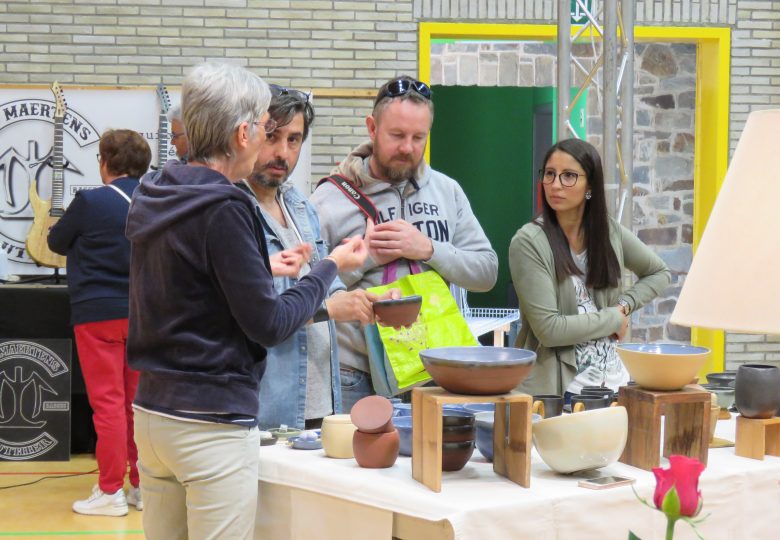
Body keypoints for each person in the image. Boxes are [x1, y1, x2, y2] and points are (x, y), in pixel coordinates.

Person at [125, 63, 367, 540]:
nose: (267, 139)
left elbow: (185, 281)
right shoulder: (227, 205)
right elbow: (270, 324)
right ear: (241, 133)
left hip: (153, 414)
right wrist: (328, 268)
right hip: (210, 423)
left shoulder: (156, 190)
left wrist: (262, 269)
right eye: (263, 127)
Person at [310, 75, 499, 410]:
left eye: (418, 137)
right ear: (372, 128)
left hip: (433, 370)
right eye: (396, 135)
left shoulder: (447, 191)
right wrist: (366, 258)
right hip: (354, 374)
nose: (407, 148)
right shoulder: (327, 199)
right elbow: (303, 291)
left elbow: (486, 272)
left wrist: (428, 249)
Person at [237, 84, 396, 430]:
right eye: (272, 137)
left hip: (322, 399)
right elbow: (253, 313)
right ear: (246, 134)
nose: (282, 152)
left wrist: (360, 300)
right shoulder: (232, 210)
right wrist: (328, 311)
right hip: (266, 404)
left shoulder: (299, 205)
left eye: (293, 140)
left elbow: (324, 280)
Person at [508, 138, 671, 398]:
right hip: (560, 392)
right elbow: (549, 330)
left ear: (589, 186)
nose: (555, 184)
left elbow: (659, 273)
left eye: (569, 176)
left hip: (615, 384)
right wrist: (613, 319)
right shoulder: (528, 242)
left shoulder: (608, 232)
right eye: (550, 174)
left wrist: (624, 305)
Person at [48, 129, 151, 516]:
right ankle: (143, 487)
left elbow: (56, 242)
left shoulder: (90, 201)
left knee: (107, 405)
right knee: (136, 406)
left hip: (96, 316)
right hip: (142, 314)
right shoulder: (153, 199)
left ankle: (110, 491)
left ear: (105, 162)